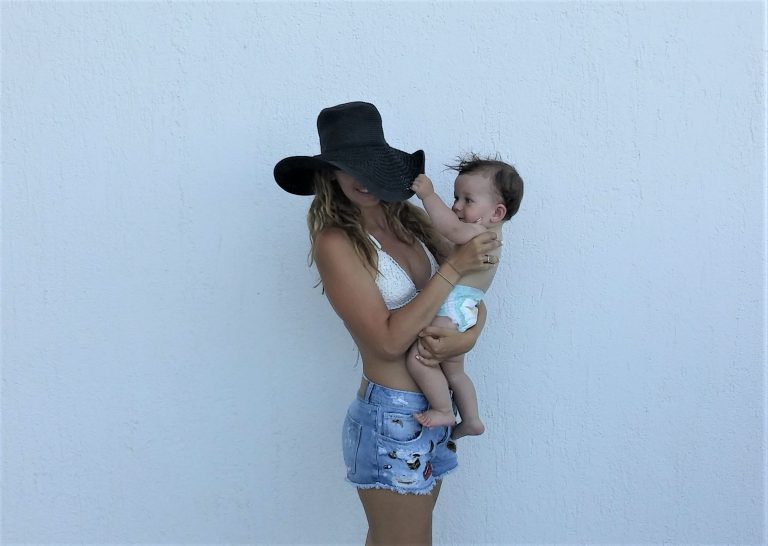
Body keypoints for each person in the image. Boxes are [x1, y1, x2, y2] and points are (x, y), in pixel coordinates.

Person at [274, 102, 501, 546]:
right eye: (349, 167)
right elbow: (387, 342)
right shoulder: (336, 242)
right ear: (330, 173)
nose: (362, 179)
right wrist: (453, 267)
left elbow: (469, 294)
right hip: (392, 416)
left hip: (434, 410)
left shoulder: (409, 220)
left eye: (370, 165)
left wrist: (468, 337)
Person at [406, 158, 524, 440]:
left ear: (496, 212)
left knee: (420, 359)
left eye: (467, 200)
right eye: (455, 197)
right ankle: (472, 420)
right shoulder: (491, 236)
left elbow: (451, 229)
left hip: (452, 307)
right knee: (456, 373)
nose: (457, 206)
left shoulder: (479, 233)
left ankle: (443, 409)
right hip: (464, 308)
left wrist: (428, 195)